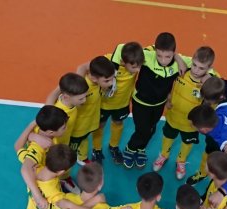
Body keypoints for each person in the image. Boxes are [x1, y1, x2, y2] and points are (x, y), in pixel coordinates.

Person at [122, 32, 189, 169]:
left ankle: (140, 148)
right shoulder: (147, 55)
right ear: (155, 51)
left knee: (151, 128)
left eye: (168, 56)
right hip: (141, 102)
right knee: (143, 129)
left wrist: (179, 59)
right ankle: (130, 148)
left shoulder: (180, 62)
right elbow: (123, 50)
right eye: (159, 55)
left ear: (174, 53)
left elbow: (202, 64)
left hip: (159, 104)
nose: (163, 60)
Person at [152, 46, 216, 179]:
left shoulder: (209, 82)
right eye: (194, 65)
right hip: (173, 117)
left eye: (201, 68)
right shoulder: (181, 70)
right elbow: (168, 82)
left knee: (187, 142)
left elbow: (218, 88)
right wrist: (168, 98)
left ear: (209, 69)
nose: (196, 70)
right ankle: (164, 155)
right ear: (191, 60)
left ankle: (181, 161)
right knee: (168, 137)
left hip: (190, 123)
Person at [76, 42, 144, 164]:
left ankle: (114, 146)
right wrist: (80, 89)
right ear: (123, 62)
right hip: (103, 104)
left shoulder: (136, 60)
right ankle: (97, 150)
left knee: (118, 123)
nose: (138, 70)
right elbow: (82, 68)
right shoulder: (108, 61)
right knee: (100, 126)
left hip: (122, 104)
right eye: (134, 68)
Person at [45, 57, 116, 166]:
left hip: (89, 124)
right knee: (70, 151)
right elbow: (50, 107)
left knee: (84, 140)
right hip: (77, 129)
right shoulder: (81, 88)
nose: (111, 83)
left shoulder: (97, 81)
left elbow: (84, 66)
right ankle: (66, 171)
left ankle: (82, 157)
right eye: (107, 81)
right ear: (93, 78)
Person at [15, 105, 68, 209]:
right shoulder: (38, 147)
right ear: (50, 132)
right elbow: (25, 169)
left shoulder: (41, 130)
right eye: (64, 127)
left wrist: (32, 126)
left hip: (48, 175)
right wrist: (38, 196)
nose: (66, 128)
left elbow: (18, 147)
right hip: (43, 183)